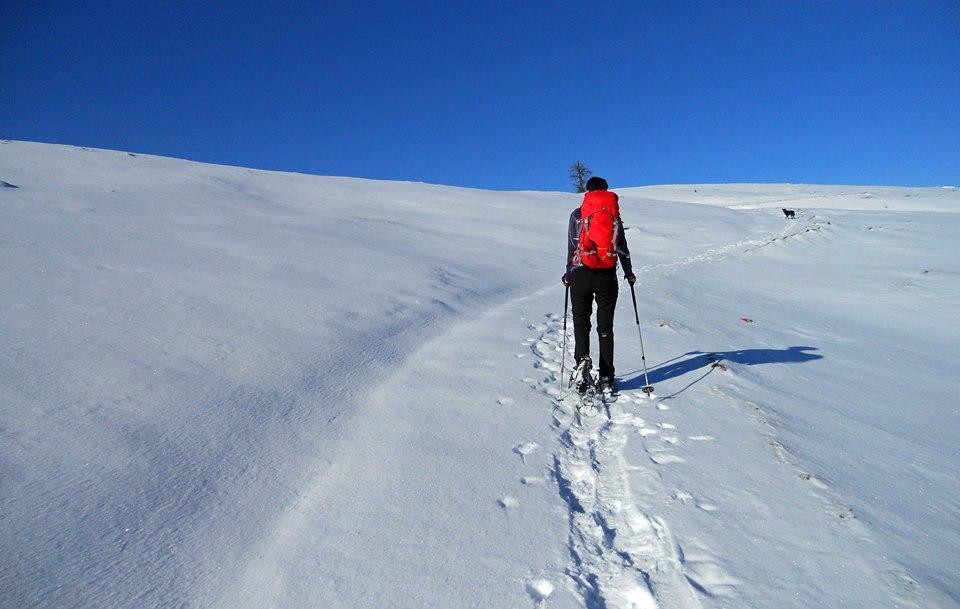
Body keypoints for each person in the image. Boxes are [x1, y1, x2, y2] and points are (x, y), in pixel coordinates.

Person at [562, 176, 635, 394]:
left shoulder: (577, 214)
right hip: (606, 275)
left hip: (580, 274)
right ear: (605, 190)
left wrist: (568, 272)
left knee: (581, 321)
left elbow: (571, 246)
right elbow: (621, 247)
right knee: (605, 327)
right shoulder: (612, 214)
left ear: (587, 191)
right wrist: (629, 272)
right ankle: (606, 376)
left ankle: (582, 363)